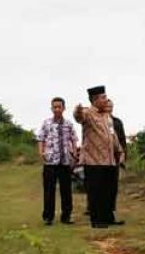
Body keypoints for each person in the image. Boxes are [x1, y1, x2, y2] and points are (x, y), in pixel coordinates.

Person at [74, 86, 124, 228]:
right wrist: (77, 110)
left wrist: (120, 151)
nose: (106, 100)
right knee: (96, 191)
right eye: (103, 97)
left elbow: (112, 135)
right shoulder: (88, 113)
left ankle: (109, 218)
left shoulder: (107, 116)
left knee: (109, 191)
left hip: (109, 160)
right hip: (93, 160)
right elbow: (79, 117)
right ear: (95, 100)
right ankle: (97, 220)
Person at [37, 97, 78, 226]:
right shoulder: (46, 123)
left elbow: (74, 139)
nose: (57, 109)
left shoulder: (69, 124)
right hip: (50, 162)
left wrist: (75, 152)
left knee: (66, 191)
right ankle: (48, 217)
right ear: (51, 108)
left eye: (59, 107)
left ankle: (66, 216)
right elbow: (41, 138)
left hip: (65, 162)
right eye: (54, 107)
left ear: (64, 108)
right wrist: (41, 152)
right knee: (49, 190)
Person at [107, 99, 126, 219]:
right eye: (107, 106)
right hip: (101, 156)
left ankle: (111, 209)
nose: (109, 108)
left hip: (115, 156)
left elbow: (122, 139)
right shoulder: (97, 120)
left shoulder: (117, 122)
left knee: (113, 184)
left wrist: (123, 154)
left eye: (111, 106)